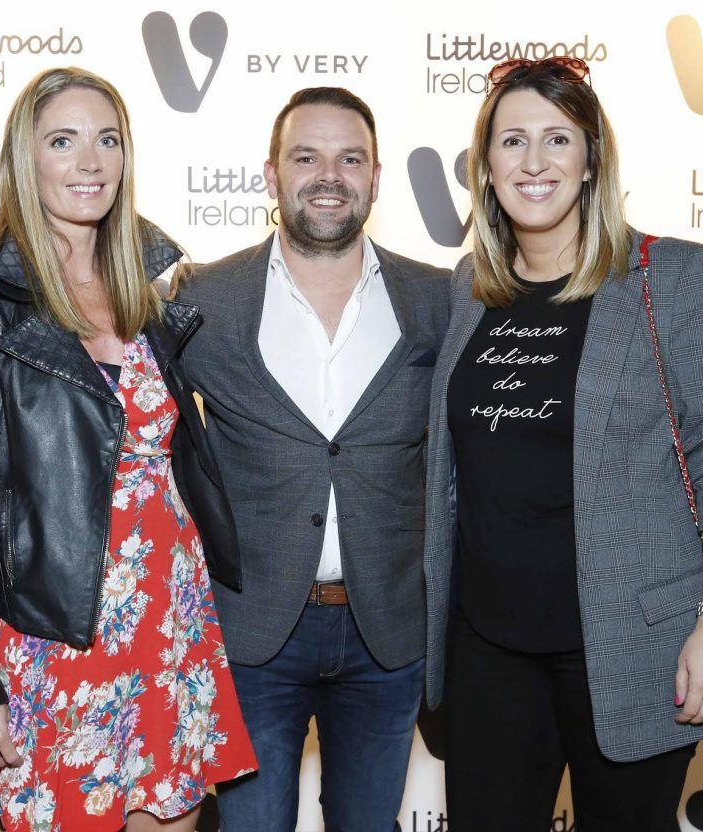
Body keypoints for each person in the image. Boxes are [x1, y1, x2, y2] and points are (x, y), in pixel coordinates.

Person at [422, 57, 703, 830]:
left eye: (556, 139)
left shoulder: (669, 277)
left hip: (628, 646)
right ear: (486, 167)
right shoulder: (469, 285)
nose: (534, 162)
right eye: (512, 141)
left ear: (590, 161)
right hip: (487, 649)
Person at [0, 66, 256, 832]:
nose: (90, 162)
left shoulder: (149, 294)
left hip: (169, 621)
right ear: (23, 161)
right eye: (63, 141)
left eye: (108, 140)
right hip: (55, 636)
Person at [173, 87, 450, 831]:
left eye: (349, 158)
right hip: (252, 633)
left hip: (386, 634)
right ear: (271, 175)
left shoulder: (439, 299)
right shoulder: (203, 299)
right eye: (307, 157)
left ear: (376, 177)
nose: (329, 174)